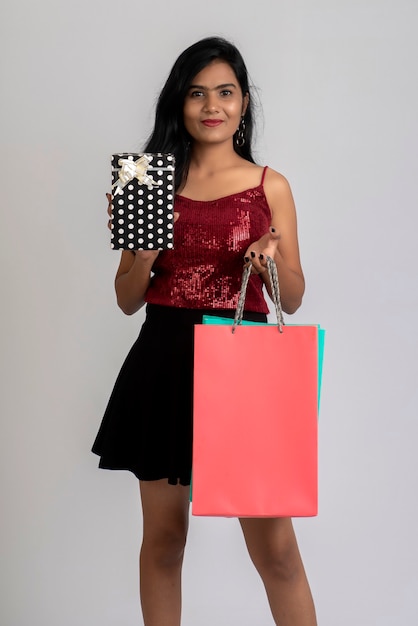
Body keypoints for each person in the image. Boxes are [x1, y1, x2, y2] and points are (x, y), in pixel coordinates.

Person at [92, 36, 317, 626]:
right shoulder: (146, 180)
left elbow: (292, 296)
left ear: (244, 103)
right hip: (163, 361)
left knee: (278, 552)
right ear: (179, 102)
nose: (211, 105)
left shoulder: (271, 186)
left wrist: (270, 262)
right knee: (164, 542)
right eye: (197, 93)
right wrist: (141, 253)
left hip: (242, 368)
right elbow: (125, 300)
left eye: (224, 92)